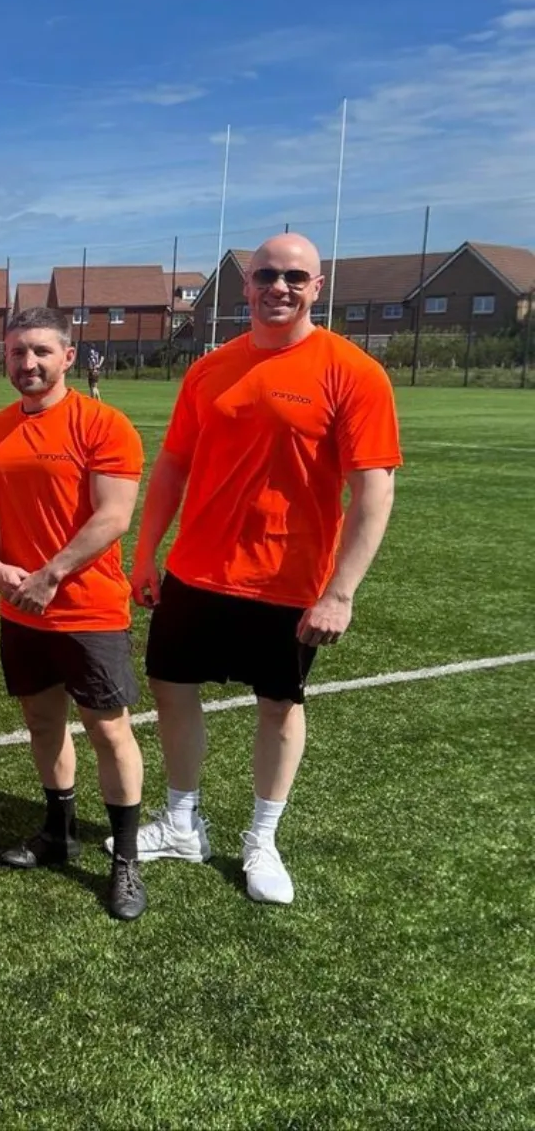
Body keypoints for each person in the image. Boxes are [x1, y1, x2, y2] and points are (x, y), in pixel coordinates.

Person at [129, 233, 400, 905]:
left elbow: (375, 488)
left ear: (318, 285)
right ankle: (183, 822)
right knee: (170, 685)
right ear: (245, 287)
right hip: (197, 570)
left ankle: (262, 839)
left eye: (294, 276)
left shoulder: (353, 371)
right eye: (266, 276)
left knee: (278, 707)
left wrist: (341, 591)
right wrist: (144, 551)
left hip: (287, 581)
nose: (279, 287)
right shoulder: (210, 369)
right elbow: (173, 465)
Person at [0, 306, 149, 921]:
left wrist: (50, 575)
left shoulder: (104, 424)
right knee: (43, 725)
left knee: (107, 729)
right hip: (21, 611)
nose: (28, 363)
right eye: (17, 353)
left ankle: (124, 859)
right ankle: (58, 831)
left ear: (69, 356)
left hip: (88, 610)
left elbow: (113, 516)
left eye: (41, 351)